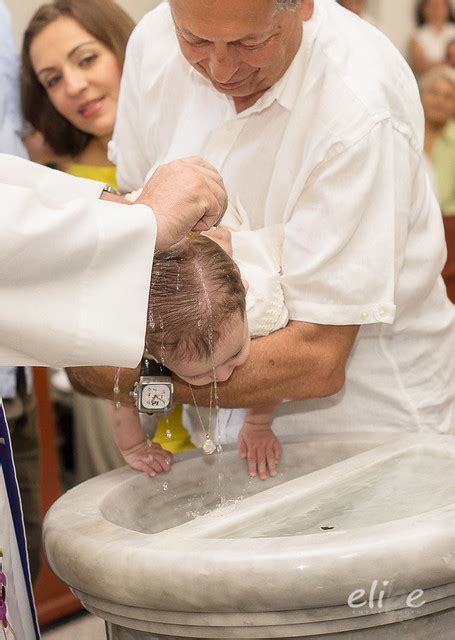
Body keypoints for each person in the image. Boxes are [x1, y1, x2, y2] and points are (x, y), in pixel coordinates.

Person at [69, 0, 455, 482]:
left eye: (249, 43)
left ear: (304, 6)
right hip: (212, 436)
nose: (221, 68)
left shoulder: (361, 107)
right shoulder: (152, 43)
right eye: (194, 40)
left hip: (364, 431)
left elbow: (318, 360)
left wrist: (136, 376)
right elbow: (137, 227)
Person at [108, 233, 284, 480]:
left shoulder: (260, 309)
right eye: (199, 374)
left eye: (235, 354)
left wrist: (258, 424)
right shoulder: (144, 339)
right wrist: (134, 446)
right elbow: (119, 394)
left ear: (244, 294)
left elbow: (275, 377)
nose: (223, 375)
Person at [421, 65, 455, 214]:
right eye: (434, 93)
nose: (439, 101)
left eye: (448, 97)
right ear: (422, 95)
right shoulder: (407, 134)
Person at [409, 0, 455, 76]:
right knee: (441, 86)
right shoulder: (417, 37)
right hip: (431, 79)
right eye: (433, 6)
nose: (437, 10)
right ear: (423, 9)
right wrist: (447, 62)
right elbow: (420, 66)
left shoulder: (453, 30)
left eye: (441, 6)